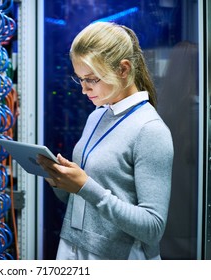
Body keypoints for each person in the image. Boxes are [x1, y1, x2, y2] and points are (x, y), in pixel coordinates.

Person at [37, 22, 174, 260]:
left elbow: (153, 228)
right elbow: (82, 197)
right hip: (73, 247)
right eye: (80, 79)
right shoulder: (97, 115)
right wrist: (59, 180)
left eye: (92, 79)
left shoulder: (150, 130)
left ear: (123, 69)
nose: (84, 89)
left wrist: (85, 187)